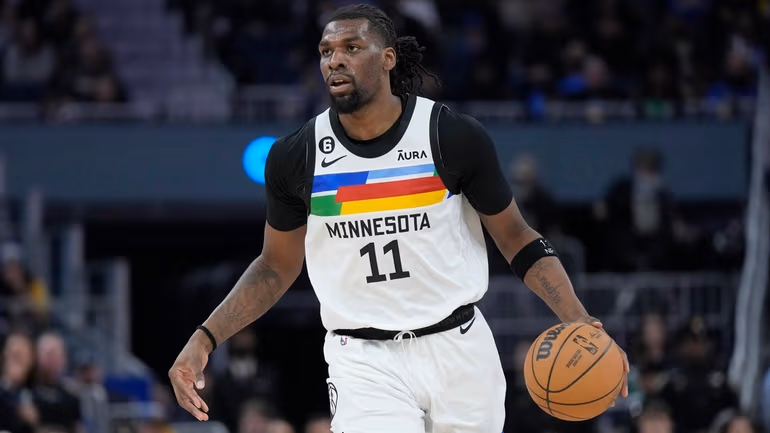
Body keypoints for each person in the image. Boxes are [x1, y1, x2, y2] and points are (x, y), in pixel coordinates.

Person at [168, 4, 630, 432]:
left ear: (388, 58)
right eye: (326, 51)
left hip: (459, 348)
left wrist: (579, 319)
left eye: (352, 48)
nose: (335, 60)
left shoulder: (450, 135)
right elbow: (274, 267)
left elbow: (516, 237)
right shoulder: (296, 156)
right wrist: (205, 338)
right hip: (363, 358)